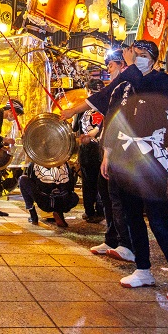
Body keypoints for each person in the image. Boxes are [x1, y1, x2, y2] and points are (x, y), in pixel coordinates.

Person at [65, 41, 168, 302]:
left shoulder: (161, 80)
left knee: (158, 218)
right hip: (124, 155)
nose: (137, 60)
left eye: (143, 55)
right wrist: (107, 152)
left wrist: (129, 65)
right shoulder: (124, 85)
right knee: (131, 215)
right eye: (134, 55)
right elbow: (111, 113)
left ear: (155, 60)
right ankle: (144, 269)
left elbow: (145, 87)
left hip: (150, 156)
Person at [59, 51, 134, 261]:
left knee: (119, 197)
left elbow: (107, 109)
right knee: (107, 193)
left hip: (124, 147)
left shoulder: (129, 83)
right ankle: (113, 238)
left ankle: (127, 243)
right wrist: (92, 133)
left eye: (111, 65)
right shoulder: (117, 87)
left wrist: (73, 111)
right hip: (108, 146)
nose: (108, 69)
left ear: (123, 64)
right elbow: (104, 115)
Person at [73, 77, 105, 222]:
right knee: (102, 180)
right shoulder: (107, 105)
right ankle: (102, 209)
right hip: (104, 149)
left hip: (87, 150)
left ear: (88, 90)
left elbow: (75, 129)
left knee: (88, 181)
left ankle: (89, 211)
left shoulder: (82, 108)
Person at [19, 160, 79, 227]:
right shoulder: (64, 163)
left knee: (22, 179)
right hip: (65, 201)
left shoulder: (34, 163)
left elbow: (32, 180)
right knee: (73, 196)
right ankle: (59, 211)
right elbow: (71, 185)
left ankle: (33, 216)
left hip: (46, 202)